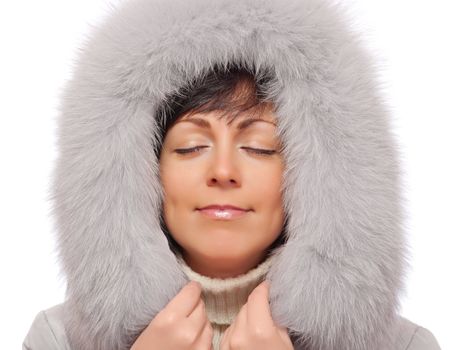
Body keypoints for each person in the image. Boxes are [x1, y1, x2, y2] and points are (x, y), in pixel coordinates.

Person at [22, 0, 442, 349]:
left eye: (259, 147)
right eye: (191, 147)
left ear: (318, 175)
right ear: (139, 171)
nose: (223, 171)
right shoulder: (57, 339)